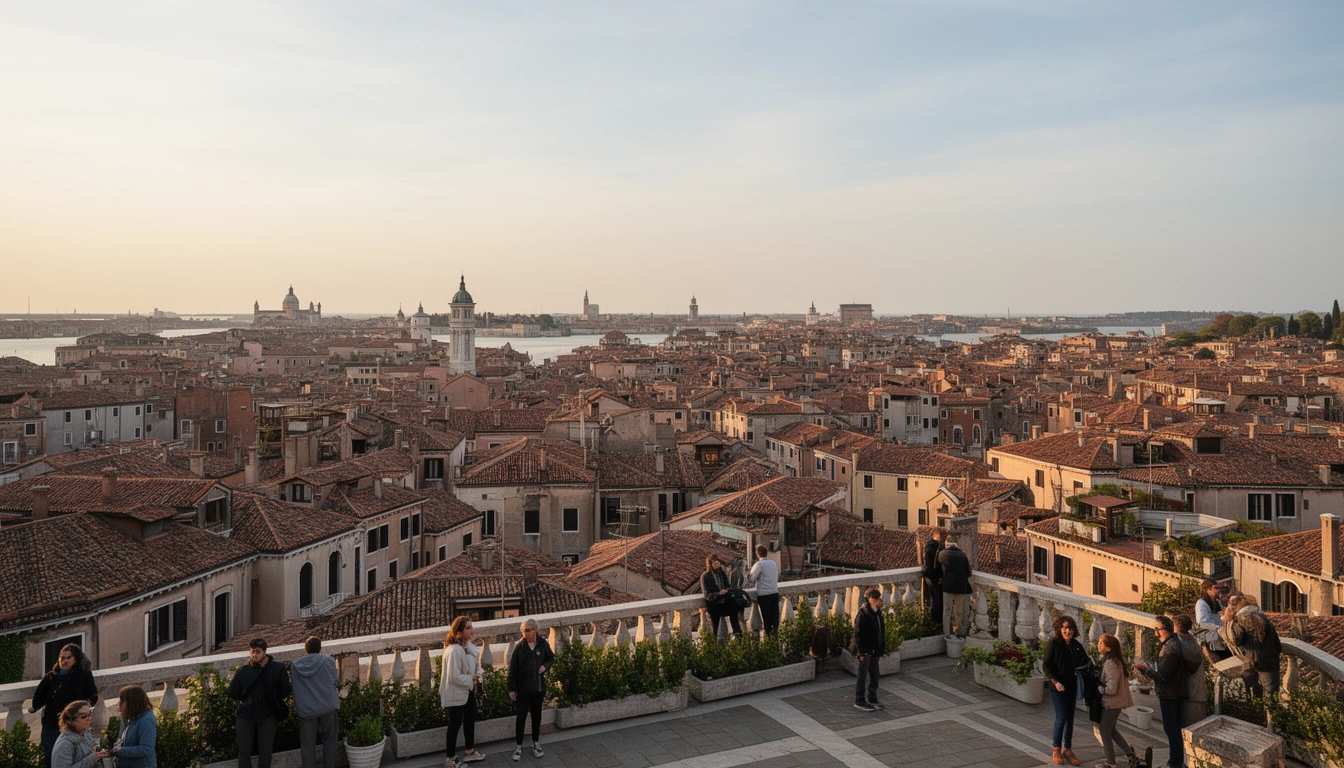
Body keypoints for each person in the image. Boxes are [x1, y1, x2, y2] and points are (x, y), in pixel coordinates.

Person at [30, 642, 99, 768]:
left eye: (68, 658)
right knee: (51, 759)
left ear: (76, 659)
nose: (64, 661)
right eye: (62, 658)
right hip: (51, 725)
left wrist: (83, 711)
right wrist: (47, 681)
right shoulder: (52, 676)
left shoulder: (83, 674)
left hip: (73, 727)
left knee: (75, 759)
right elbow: (37, 701)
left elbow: (93, 695)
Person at [227, 638, 292, 768]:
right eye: (252, 652)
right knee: (244, 752)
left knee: (266, 751)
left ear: (264, 652)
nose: (254, 655)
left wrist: (271, 698)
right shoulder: (243, 670)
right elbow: (232, 692)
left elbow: (285, 691)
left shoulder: (277, 668)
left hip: (267, 715)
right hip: (245, 715)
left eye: (257, 652)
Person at [1135, 616, 1188, 768]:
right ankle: (1176, 760)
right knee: (1174, 728)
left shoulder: (1169, 648)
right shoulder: (1175, 643)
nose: (1156, 633)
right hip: (1175, 692)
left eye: (1157, 629)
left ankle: (1175, 762)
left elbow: (1163, 676)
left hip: (1170, 694)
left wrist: (1146, 670)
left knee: (1171, 729)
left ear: (1165, 630)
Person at [439, 617, 486, 767]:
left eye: (472, 627)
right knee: (454, 725)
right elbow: (453, 676)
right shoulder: (454, 650)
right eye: (468, 628)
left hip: (467, 691)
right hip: (456, 693)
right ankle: (450, 759)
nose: (472, 631)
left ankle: (469, 751)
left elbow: (475, 663)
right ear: (459, 631)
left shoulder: (468, 646)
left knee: (470, 721)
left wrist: (477, 673)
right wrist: (471, 677)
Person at [1043, 615, 1089, 766]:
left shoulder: (1076, 645)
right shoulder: (1054, 644)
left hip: (1072, 686)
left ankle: (1067, 749)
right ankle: (1056, 748)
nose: (1067, 631)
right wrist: (1055, 682)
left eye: (1070, 628)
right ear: (1059, 629)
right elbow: (1046, 666)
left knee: (1070, 719)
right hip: (1057, 687)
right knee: (1061, 718)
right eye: (1064, 628)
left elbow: (1086, 662)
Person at [508, 618, 554, 762]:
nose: (525, 633)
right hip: (522, 690)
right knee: (520, 717)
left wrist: (545, 667)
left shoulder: (542, 644)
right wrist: (511, 688)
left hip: (538, 688)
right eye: (523, 630)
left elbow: (550, 658)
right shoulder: (519, 647)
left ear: (535, 630)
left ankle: (536, 743)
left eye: (528, 630)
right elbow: (512, 669)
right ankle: (518, 745)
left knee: (536, 716)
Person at [1218, 595, 1281, 699]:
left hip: (1253, 661)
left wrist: (1227, 621)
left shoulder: (1243, 617)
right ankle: (1269, 714)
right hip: (1270, 660)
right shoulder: (1259, 615)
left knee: (1252, 694)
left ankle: (1258, 713)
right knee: (1270, 695)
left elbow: (1235, 639)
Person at [290, 636, 339, 768]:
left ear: (305, 649)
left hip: (306, 711)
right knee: (330, 742)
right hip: (328, 706)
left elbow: (294, 687)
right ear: (320, 648)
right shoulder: (328, 661)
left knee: (307, 746)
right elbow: (334, 679)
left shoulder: (295, 666)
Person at [1091, 633, 1139, 768]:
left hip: (1111, 703)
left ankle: (1111, 763)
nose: (1098, 645)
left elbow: (1112, 688)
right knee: (1111, 731)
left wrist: (1102, 689)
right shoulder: (1117, 661)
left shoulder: (1110, 664)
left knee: (1104, 732)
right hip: (1116, 703)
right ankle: (1131, 755)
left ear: (1108, 648)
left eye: (1101, 643)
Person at [852, 587, 886, 712]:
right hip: (866, 650)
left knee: (875, 674)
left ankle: (872, 697)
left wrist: (880, 648)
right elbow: (858, 634)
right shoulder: (863, 614)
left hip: (874, 649)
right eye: (877, 598)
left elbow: (881, 631)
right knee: (862, 675)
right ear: (870, 599)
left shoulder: (878, 612)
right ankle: (859, 700)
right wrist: (861, 651)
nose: (880, 600)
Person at [1173, 615, 1208, 726]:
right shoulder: (1192, 639)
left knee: (1188, 729)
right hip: (1197, 693)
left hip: (1189, 694)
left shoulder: (1178, 642)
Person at [51, 701, 108, 768]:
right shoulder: (64, 744)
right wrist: (92, 759)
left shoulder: (85, 733)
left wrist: (99, 754)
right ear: (71, 720)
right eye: (83, 716)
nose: (89, 718)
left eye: (90, 714)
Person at [111, 685, 157, 768]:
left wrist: (121, 750)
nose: (119, 704)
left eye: (122, 701)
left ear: (132, 703)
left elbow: (145, 748)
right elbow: (121, 738)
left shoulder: (147, 720)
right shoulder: (128, 717)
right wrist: (114, 749)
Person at [937, 536, 973, 638]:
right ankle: (959, 632)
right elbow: (968, 572)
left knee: (947, 610)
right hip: (961, 587)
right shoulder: (963, 555)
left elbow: (937, 567)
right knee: (959, 611)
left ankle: (946, 633)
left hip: (948, 586)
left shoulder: (942, 553)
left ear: (947, 543)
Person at [701, 555, 741, 637]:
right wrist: (718, 594)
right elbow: (707, 595)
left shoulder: (721, 574)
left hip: (724, 602)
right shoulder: (706, 576)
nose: (716, 564)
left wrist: (726, 590)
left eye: (717, 562)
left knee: (734, 611)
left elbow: (728, 586)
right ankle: (714, 645)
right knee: (715, 628)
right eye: (713, 562)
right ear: (710, 564)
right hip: (714, 604)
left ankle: (739, 637)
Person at [747, 545, 781, 634]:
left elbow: (751, 579)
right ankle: (776, 636)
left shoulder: (759, 565)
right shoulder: (773, 563)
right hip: (774, 592)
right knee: (775, 617)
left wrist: (748, 574)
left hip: (764, 594)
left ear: (758, 554)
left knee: (767, 618)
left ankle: (769, 638)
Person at [1194, 579, 1229, 660]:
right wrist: (1219, 628)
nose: (1218, 591)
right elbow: (1202, 622)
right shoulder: (1201, 603)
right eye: (1216, 588)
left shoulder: (1217, 601)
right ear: (1207, 590)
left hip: (1221, 634)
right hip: (1212, 638)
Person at [921, 529, 946, 627]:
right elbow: (929, 562)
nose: (943, 539)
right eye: (942, 537)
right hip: (932, 576)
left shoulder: (935, 545)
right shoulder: (932, 546)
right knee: (935, 600)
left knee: (937, 600)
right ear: (936, 535)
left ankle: (936, 622)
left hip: (933, 576)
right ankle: (935, 623)